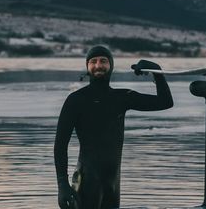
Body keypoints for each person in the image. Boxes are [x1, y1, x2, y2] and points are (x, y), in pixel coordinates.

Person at [54, 45, 173, 209]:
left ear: (111, 65)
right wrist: (62, 185)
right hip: (87, 181)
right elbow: (60, 145)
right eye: (93, 61)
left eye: (103, 61)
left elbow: (165, 102)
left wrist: (157, 72)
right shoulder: (76, 100)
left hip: (112, 183)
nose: (98, 65)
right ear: (87, 67)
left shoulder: (122, 98)